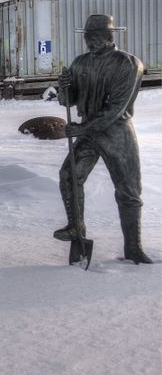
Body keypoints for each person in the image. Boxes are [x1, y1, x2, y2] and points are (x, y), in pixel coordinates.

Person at [55, 14, 151, 264]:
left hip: (117, 132)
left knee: (128, 191)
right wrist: (64, 88)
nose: (89, 42)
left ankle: (134, 248)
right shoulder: (80, 63)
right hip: (88, 130)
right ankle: (76, 229)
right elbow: (69, 100)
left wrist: (82, 129)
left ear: (110, 37)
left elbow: (116, 109)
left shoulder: (128, 64)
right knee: (69, 176)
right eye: (87, 37)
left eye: (95, 37)